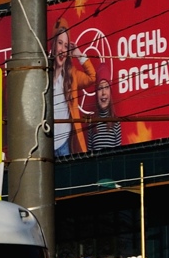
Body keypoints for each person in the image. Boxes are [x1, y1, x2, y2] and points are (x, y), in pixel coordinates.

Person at [51, 20, 97, 158]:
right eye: (60, 43)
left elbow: (92, 77)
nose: (62, 49)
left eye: (66, 46)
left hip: (64, 145)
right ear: (53, 45)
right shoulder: (43, 72)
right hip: (46, 146)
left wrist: (79, 55)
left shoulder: (72, 76)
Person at [87, 76, 123, 152]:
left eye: (106, 87)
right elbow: (90, 156)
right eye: (100, 88)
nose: (103, 92)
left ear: (110, 92)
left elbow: (119, 155)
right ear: (96, 93)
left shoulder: (116, 122)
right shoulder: (91, 123)